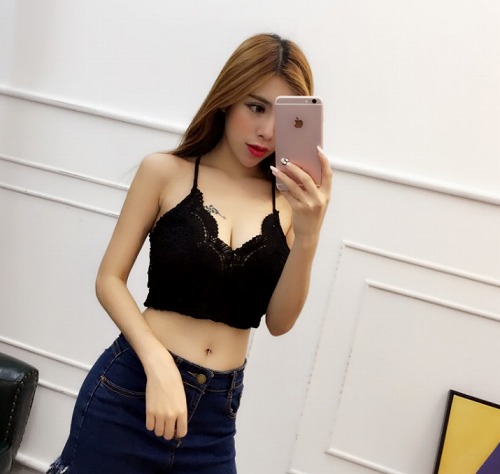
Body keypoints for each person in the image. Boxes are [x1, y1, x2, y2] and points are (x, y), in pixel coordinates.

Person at [48, 32, 332, 474]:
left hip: (214, 422)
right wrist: (157, 362)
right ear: (227, 99)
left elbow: (279, 323)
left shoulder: (288, 203)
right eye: (256, 108)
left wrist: (310, 235)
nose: (267, 131)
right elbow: (109, 279)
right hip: (132, 392)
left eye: (283, 117)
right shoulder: (164, 172)